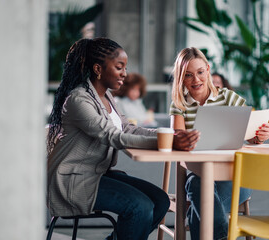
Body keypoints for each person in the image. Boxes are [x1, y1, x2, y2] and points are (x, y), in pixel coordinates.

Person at [46, 38, 200, 240]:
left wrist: (171, 135)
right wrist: (167, 142)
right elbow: (112, 136)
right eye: (119, 67)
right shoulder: (78, 100)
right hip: (73, 181)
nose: (125, 74)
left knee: (160, 201)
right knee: (139, 207)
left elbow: (127, 128)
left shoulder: (106, 96)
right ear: (98, 69)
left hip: (97, 174)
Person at [169, 47, 269, 240]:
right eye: (188, 75)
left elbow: (251, 135)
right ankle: (223, 236)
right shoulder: (179, 104)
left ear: (208, 69)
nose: (196, 80)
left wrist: (261, 135)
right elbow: (178, 139)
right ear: (181, 78)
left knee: (197, 210)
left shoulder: (229, 98)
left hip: (234, 178)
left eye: (200, 72)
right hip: (199, 176)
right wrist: (184, 139)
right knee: (196, 185)